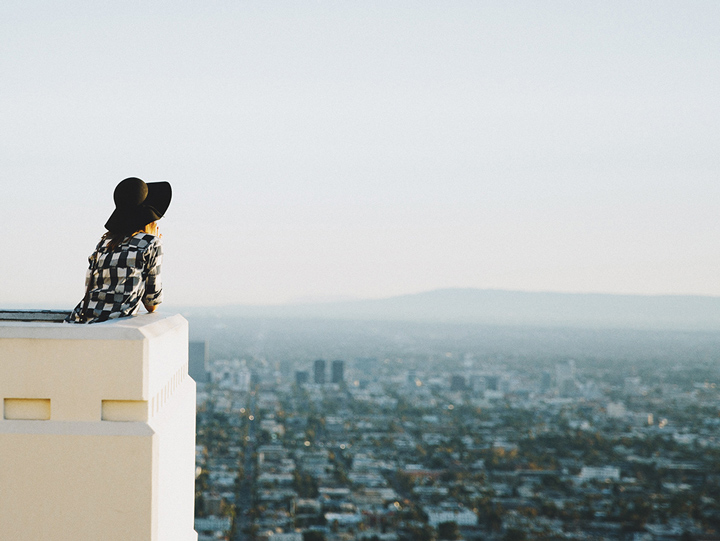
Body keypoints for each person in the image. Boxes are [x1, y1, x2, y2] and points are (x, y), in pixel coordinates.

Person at [67, 177, 172, 324]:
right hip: (111, 327)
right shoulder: (150, 243)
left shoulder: (104, 244)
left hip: (78, 321)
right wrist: (153, 241)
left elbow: (90, 292)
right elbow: (151, 304)